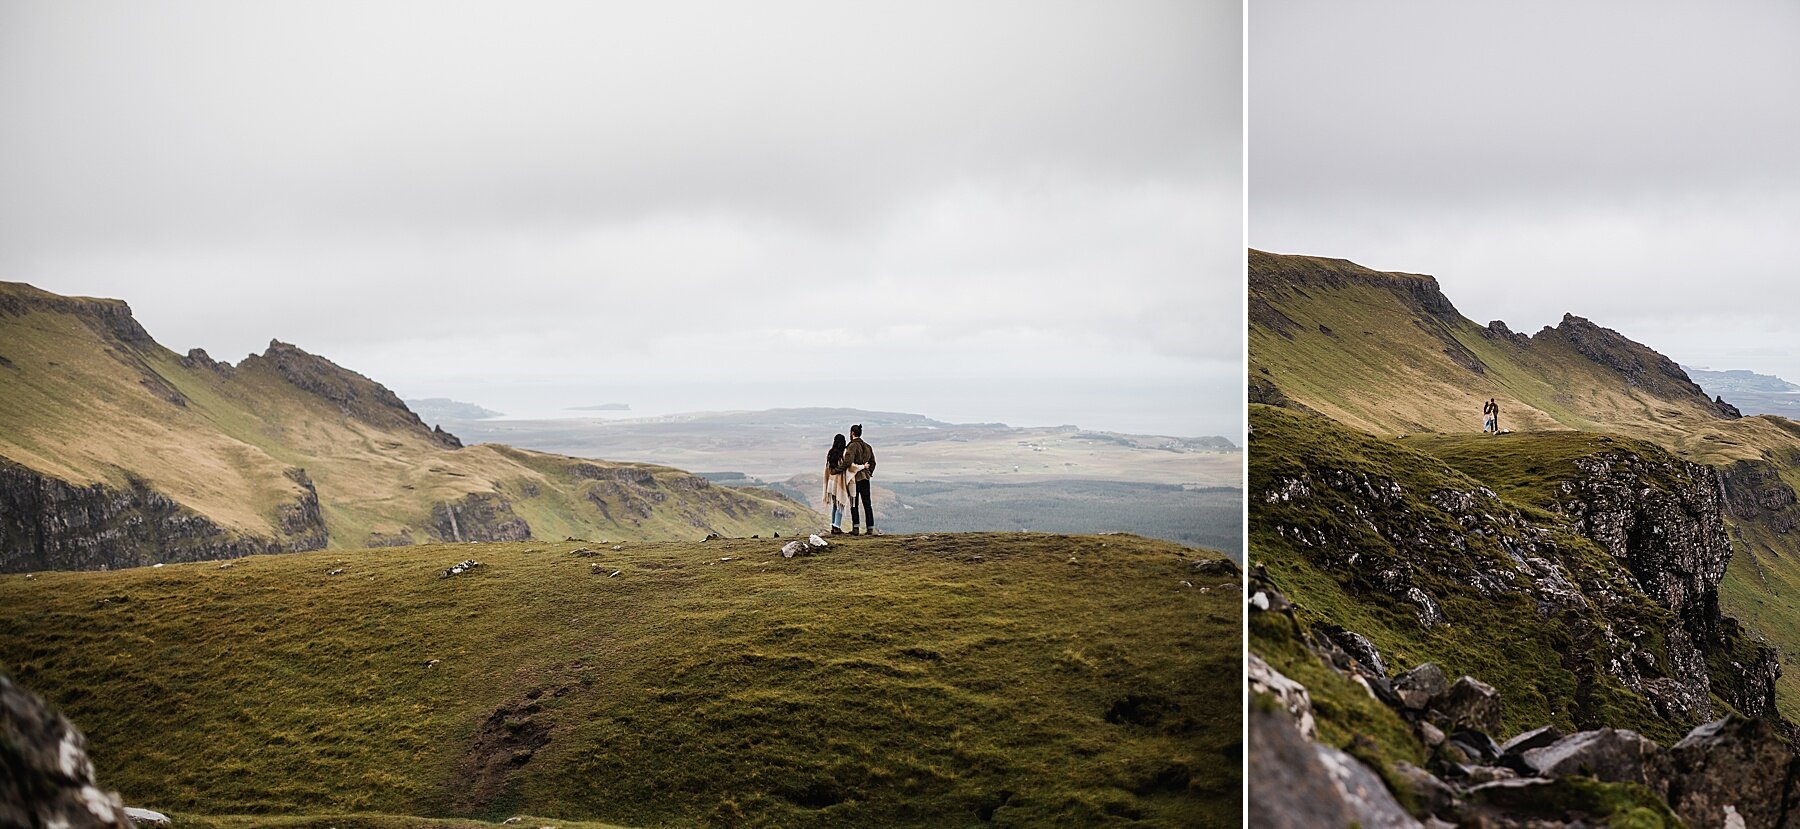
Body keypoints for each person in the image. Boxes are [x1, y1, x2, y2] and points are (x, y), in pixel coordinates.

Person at [842, 424, 877, 535]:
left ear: (852, 433)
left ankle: (856, 528)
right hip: (865, 478)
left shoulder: (851, 446)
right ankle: (870, 528)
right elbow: (873, 462)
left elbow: (848, 462)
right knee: (867, 503)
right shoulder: (868, 446)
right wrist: (868, 472)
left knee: (854, 503)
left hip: (854, 479)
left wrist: (839, 470)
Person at [822, 434, 853, 534]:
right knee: (840, 504)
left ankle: (833, 525)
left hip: (831, 482)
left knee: (835, 504)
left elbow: (828, 468)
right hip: (838, 482)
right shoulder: (843, 453)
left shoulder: (831, 453)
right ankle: (836, 526)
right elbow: (848, 466)